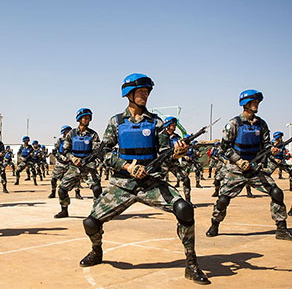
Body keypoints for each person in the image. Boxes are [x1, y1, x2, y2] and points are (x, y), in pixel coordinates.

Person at [79, 73, 210, 285]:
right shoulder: (116, 122)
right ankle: (97, 251)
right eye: (141, 91)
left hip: (151, 183)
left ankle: (191, 263)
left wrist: (177, 153)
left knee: (185, 209)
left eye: (147, 92)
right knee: (90, 223)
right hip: (122, 184)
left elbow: (166, 154)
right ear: (128, 94)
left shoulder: (156, 122)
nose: (145, 95)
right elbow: (104, 153)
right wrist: (127, 166)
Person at [206, 89, 292, 241]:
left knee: (277, 193)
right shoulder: (234, 124)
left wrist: (271, 150)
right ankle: (215, 224)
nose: (257, 104)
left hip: (255, 169)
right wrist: (239, 161)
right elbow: (225, 147)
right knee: (223, 200)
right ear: (245, 104)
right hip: (236, 170)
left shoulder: (261, 124)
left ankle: (281, 229)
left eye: (257, 102)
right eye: (254, 102)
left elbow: (265, 146)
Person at [54, 108, 102, 218]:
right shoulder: (72, 134)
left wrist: (87, 160)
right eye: (85, 118)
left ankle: (97, 211)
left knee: (97, 189)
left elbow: (96, 151)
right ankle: (64, 210)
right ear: (79, 119)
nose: (87, 120)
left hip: (88, 166)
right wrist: (73, 158)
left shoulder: (93, 134)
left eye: (88, 118)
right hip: (74, 167)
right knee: (62, 190)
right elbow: (65, 150)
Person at [49, 125, 83, 199]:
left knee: (76, 178)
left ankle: (77, 193)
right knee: (54, 178)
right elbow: (55, 151)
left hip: (71, 162)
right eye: (66, 132)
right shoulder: (60, 140)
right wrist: (61, 157)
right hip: (60, 163)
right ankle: (53, 192)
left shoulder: (75, 140)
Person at [163, 116, 192, 202]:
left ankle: (188, 201)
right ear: (167, 125)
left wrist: (182, 151)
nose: (175, 126)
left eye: (175, 124)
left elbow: (182, 150)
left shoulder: (177, 137)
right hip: (162, 163)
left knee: (186, 179)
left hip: (173, 162)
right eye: (173, 124)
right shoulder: (160, 135)